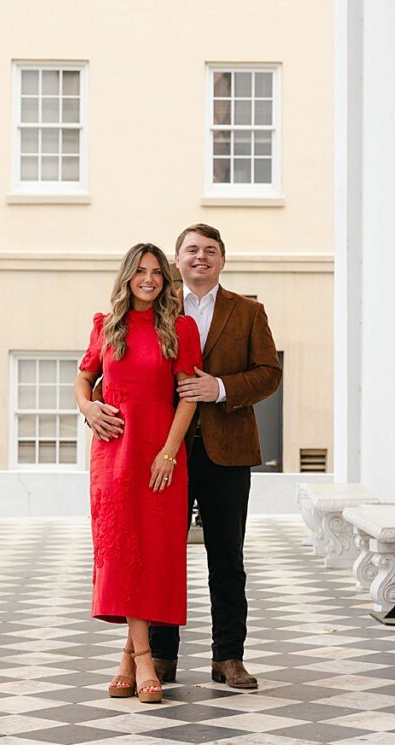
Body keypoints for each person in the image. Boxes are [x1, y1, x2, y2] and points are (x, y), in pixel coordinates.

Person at [145, 223, 283, 690]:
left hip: (228, 451)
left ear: (222, 260)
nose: (199, 257)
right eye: (190, 250)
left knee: (227, 557)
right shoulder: (158, 309)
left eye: (209, 250)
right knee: (164, 555)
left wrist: (219, 387)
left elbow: (269, 373)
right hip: (167, 451)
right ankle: (161, 656)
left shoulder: (248, 311)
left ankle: (229, 657)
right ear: (176, 260)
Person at [75, 243, 202, 703]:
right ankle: (143, 657)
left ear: (165, 282)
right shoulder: (105, 326)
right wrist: (88, 407)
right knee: (122, 553)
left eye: (157, 273)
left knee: (153, 553)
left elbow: (188, 395)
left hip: (159, 453)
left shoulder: (180, 328)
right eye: (141, 271)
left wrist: (169, 452)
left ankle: (132, 658)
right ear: (128, 276)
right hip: (112, 454)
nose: (149, 279)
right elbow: (84, 378)